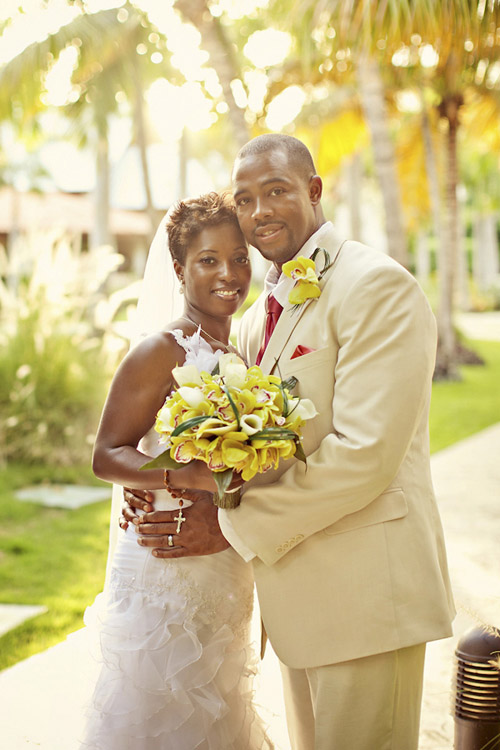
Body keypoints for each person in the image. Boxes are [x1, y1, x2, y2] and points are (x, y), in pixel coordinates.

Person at [123, 134, 456, 750]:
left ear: (313, 189)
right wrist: (168, 486)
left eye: (275, 191)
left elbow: (365, 456)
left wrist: (226, 526)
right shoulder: (258, 314)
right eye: (244, 199)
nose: (259, 213)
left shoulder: (376, 286)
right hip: (296, 600)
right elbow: (236, 436)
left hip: (366, 601)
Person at [81, 192, 273, 750]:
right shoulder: (159, 351)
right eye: (208, 260)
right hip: (167, 568)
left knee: (220, 708)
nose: (230, 274)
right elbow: (106, 454)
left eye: (239, 257)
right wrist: (184, 478)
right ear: (178, 270)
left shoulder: (241, 356)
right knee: (160, 711)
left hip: (223, 565)